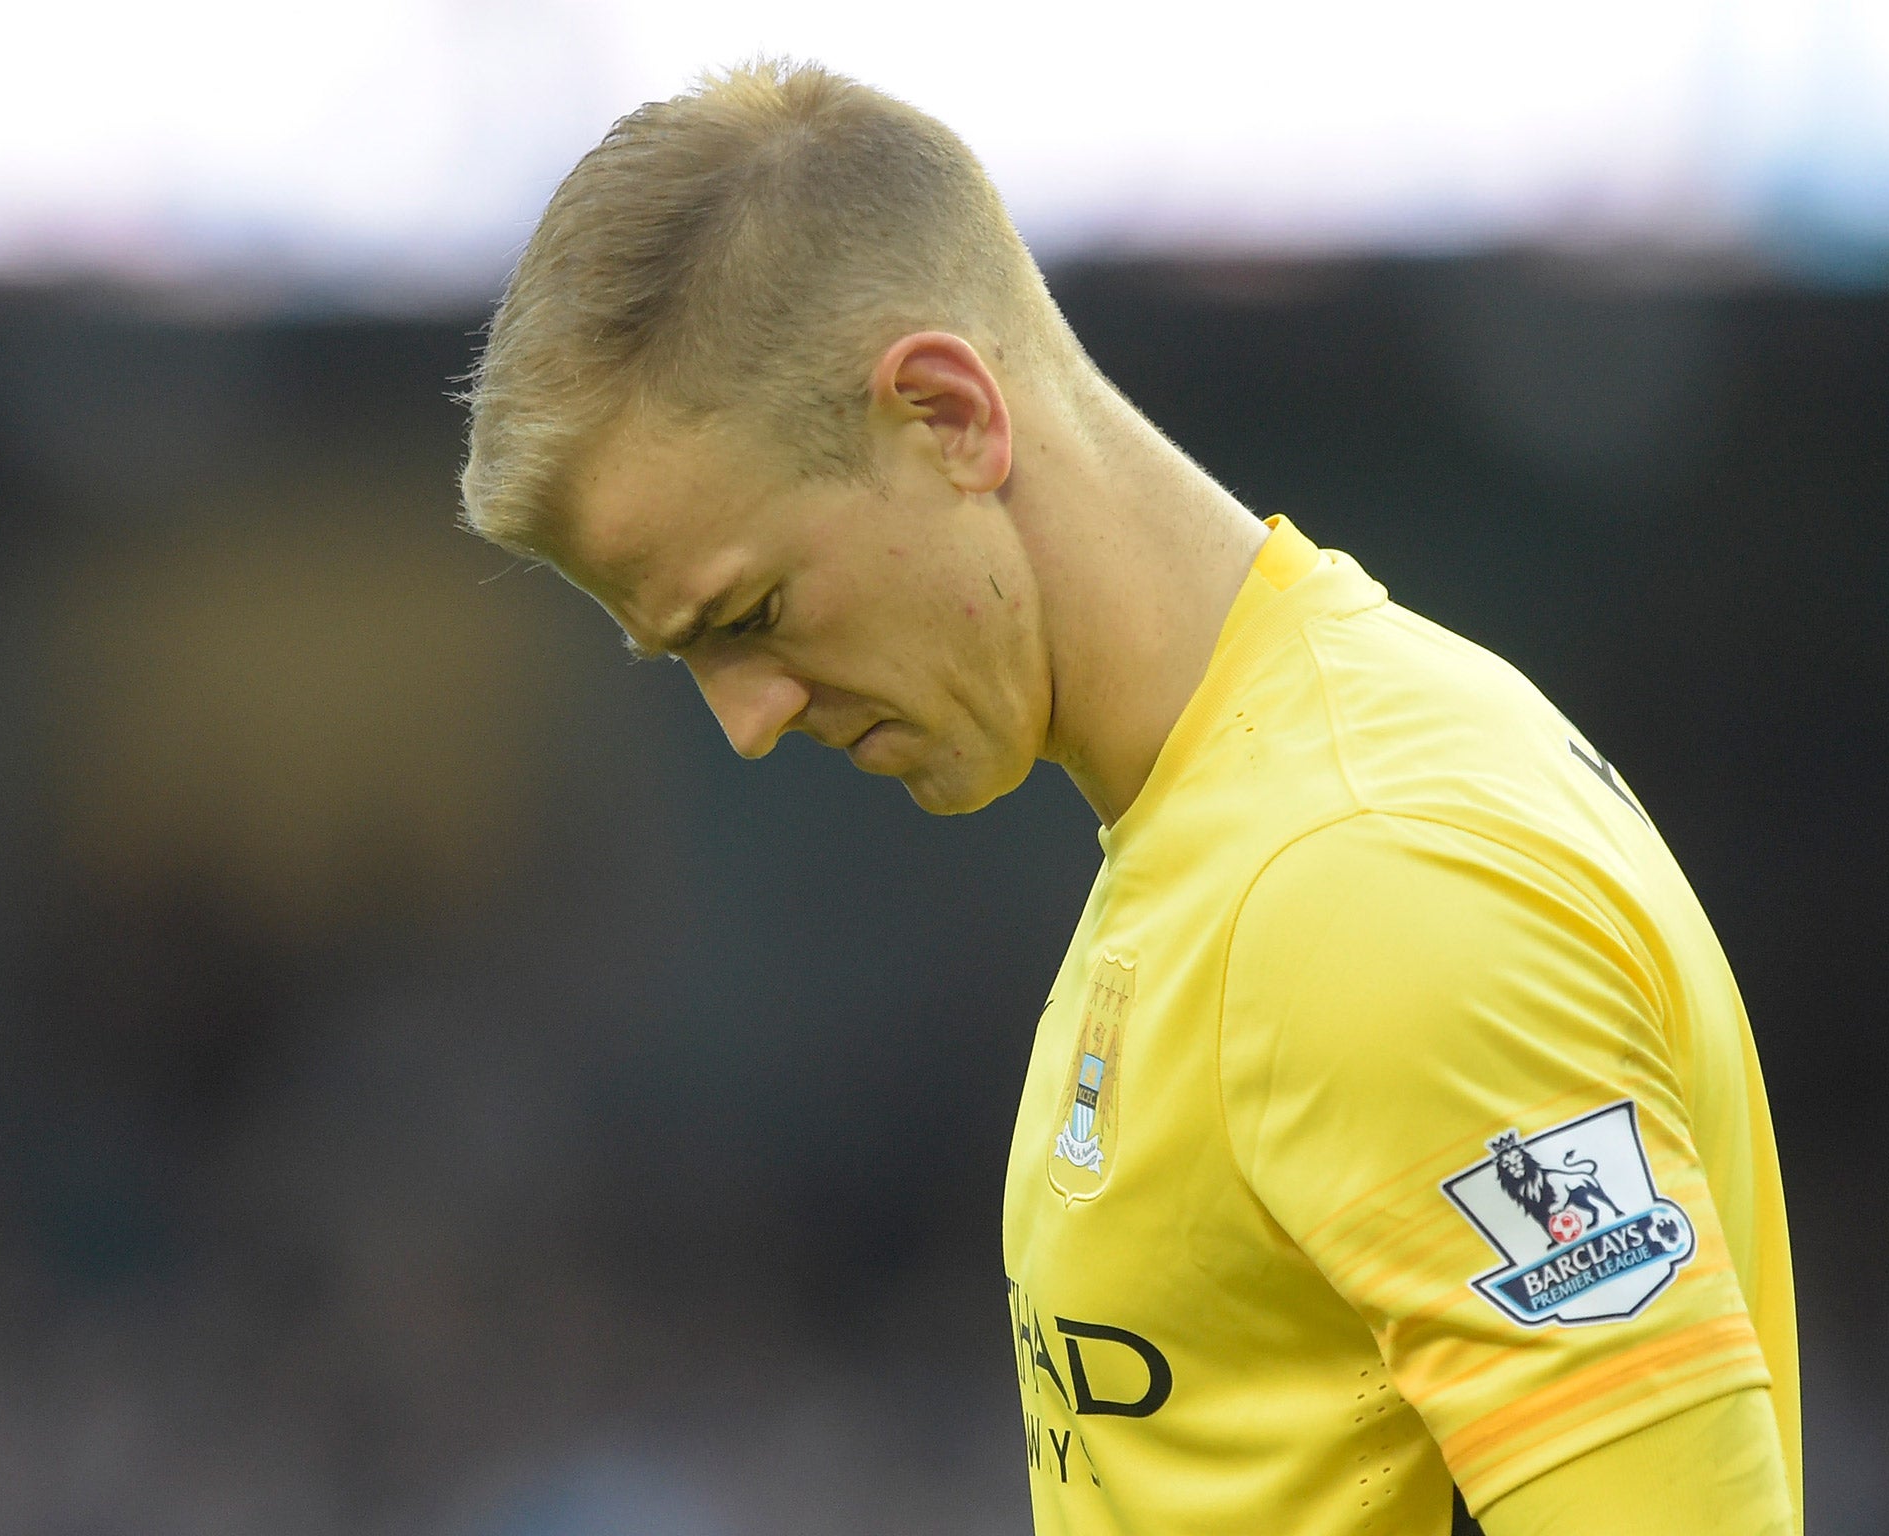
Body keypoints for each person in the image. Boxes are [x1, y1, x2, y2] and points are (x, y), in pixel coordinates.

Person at [458, 60, 1801, 1536]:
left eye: (753, 612)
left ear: (950, 415)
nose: (748, 722)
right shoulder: (1233, 818)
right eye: (684, 659)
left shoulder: (1363, 881)